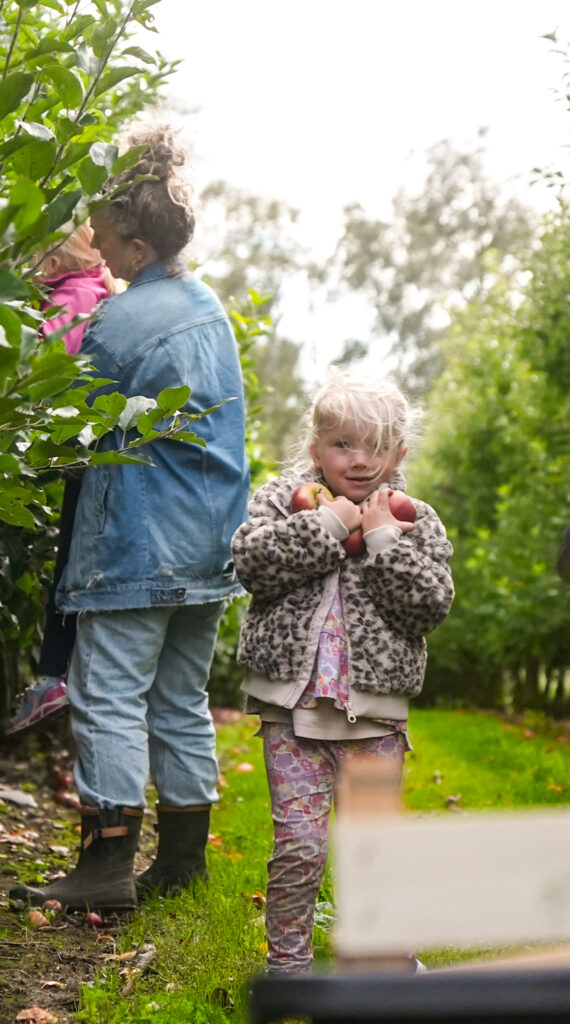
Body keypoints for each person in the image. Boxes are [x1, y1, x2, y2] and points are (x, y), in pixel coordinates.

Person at [10, 125, 250, 912]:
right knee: (177, 700)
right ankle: (181, 863)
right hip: (207, 542)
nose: (101, 255)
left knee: (107, 693)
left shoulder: (120, 322)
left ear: (140, 246)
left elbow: (62, 422)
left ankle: (105, 867)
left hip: (137, 542)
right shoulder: (205, 307)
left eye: (108, 241)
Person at [231, 375, 454, 974]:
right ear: (315, 447)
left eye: (377, 447)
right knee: (300, 847)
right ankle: (288, 967)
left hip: (375, 718)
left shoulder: (414, 521)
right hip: (291, 713)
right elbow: (252, 564)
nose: (361, 461)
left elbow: (428, 606)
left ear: (400, 453)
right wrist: (329, 526)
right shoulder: (282, 501)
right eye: (344, 445)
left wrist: (381, 539)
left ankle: (384, 962)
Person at [6, 224, 124, 737]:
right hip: (87, 452)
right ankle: (58, 673)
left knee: (69, 566)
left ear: (50, 267)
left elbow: (46, 365)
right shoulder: (92, 286)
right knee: (71, 560)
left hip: (78, 450)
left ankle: (56, 675)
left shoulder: (72, 297)